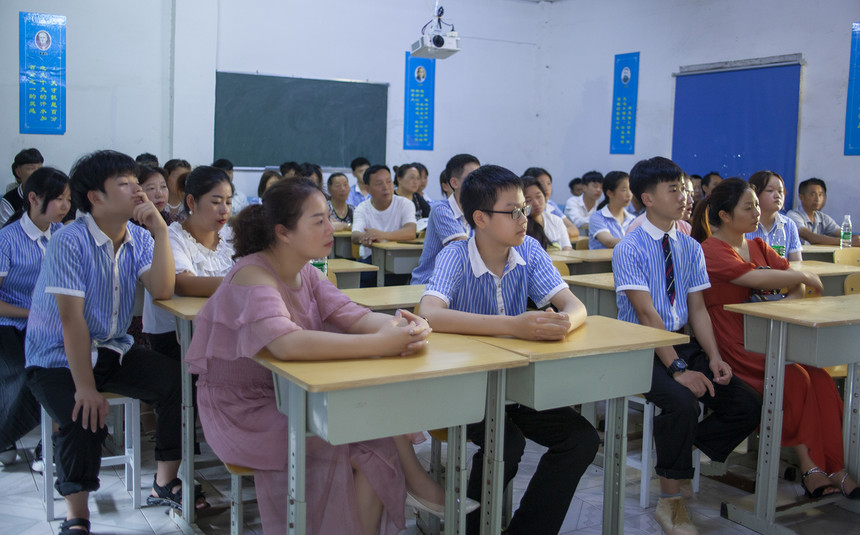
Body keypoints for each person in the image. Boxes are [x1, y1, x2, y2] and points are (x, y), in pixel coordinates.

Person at [185, 178, 435, 535]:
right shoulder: (252, 274)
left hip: (291, 395)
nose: (331, 228)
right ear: (283, 232)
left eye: (328, 219)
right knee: (370, 443)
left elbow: (355, 314)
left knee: (374, 432)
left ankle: (412, 488)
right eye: (317, 221)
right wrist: (382, 344)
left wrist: (405, 326)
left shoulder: (305, 269)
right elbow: (286, 344)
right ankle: (416, 486)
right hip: (243, 410)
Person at [25, 150, 204, 535]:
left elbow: (162, 289)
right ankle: (77, 514)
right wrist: (86, 388)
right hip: (56, 356)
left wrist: (159, 231)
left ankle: (163, 480)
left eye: (136, 182)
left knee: (178, 380)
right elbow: (70, 320)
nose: (137, 190)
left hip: (111, 348)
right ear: (95, 197)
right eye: (124, 183)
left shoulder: (139, 237)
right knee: (82, 413)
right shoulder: (69, 241)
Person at [419, 165, 600, 535]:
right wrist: (514, 327)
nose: (524, 218)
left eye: (525, 209)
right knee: (507, 443)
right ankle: (469, 529)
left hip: (517, 386)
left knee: (581, 439)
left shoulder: (529, 250)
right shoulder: (456, 255)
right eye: (513, 211)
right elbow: (429, 313)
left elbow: (575, 306)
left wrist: (566, 321)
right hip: (467, 389)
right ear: (480, 218)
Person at [612, 157, 760, 535]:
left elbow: (698, 309)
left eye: (685, 189)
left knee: (746, 403)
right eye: (674, 189)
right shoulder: (629, 247)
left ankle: (677, 456)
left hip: (681, 343)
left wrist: (713, 357)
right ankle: (671, 502)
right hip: (639, 348)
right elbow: (646, 315)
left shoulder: (690, 246)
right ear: (647, 197)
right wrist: (679, 369)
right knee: (681, 404)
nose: (685, 196)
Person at [692, 177, 860, 500]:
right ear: (725, 215)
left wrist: (788, 298)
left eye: (757, 204)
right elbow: (755, 277)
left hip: (769, 336)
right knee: (796, 380)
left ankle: (836, 467)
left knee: (821, 379)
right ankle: (811, 469)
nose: (757, 211)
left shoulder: (757, 246)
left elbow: (794, 282)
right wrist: (800, 276)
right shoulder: (710, 250)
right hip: (735, 343)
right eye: (748, 206)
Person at [0, 167, 70, 471]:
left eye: (69, 199)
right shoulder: (7, 240)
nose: (66, 206)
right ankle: (6, 434)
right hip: (11, 325)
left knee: (58, 371)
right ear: (33, 198)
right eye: (58, 199)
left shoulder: (65, 236)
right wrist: (32, 312)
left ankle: (49, 444)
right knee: (23, 373)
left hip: (52, 327)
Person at [146, 166, 235, 361]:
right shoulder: (173, 236)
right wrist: (240, 283)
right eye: (216, 202)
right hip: (177, 336)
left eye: (229, 202)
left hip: (217, 328)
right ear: (191, 202)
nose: (224, 210)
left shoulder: (230, 237)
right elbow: (185, 284)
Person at [411, 154, 478, 285]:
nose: (479, 182)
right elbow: (464, 249)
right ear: (454, 182)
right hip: (430, 283)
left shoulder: (477, 210)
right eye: (472, 177)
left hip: (459, 284)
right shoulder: (441, 209)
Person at [351, 165, 417, 286]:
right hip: (371, 262)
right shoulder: (362, 208)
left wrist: (381, 235)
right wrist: (364, 237)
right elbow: (355, 234)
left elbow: (411, 231)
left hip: (397, 262)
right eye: (379, 183)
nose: (386, 187)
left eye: (388, 181)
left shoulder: (405, 204)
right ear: (367, 188)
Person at [745, 170, 802, 261]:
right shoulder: (743, 224)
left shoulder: (789, 225)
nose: (777, 196)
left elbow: (797, 264)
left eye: (780, 191)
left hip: (782, 275)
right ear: (755, 194)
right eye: (770, 190)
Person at [786, 177, 860, 246]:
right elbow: (812, 238)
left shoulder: (823, 217)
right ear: (801, 197)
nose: (817, 199)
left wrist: (856, 238)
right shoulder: (793, 215)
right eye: (813, 195)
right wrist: (846, 242)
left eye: (821, 195)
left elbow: (843, 234)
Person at [524, 167, 579, 240]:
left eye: (548, 183)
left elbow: (573, 229)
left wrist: (560, 234)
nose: (546, 188)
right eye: (541, 184)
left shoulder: (551, 205)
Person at [523, 175, 572, 251]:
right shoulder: (520, 225)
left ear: (544, 196)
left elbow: (567, 248)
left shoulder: (556, 220)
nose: (536, 203)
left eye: (538, 196)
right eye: (528, 200)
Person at [588, 171, 635, 249]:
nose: (629, 194)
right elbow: (609, 242)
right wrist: (638, 242)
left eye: (630, 189)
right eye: (624, 190)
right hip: (604, 261)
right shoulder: (597, 217)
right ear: (610, 193)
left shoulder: (633, 219)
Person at [2, 148, 44, 225]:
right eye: (31, 168)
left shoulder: (50, 194)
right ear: (18, 172)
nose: (37, 173)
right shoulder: (10, 200)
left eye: (40, 169)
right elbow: (5, 230)